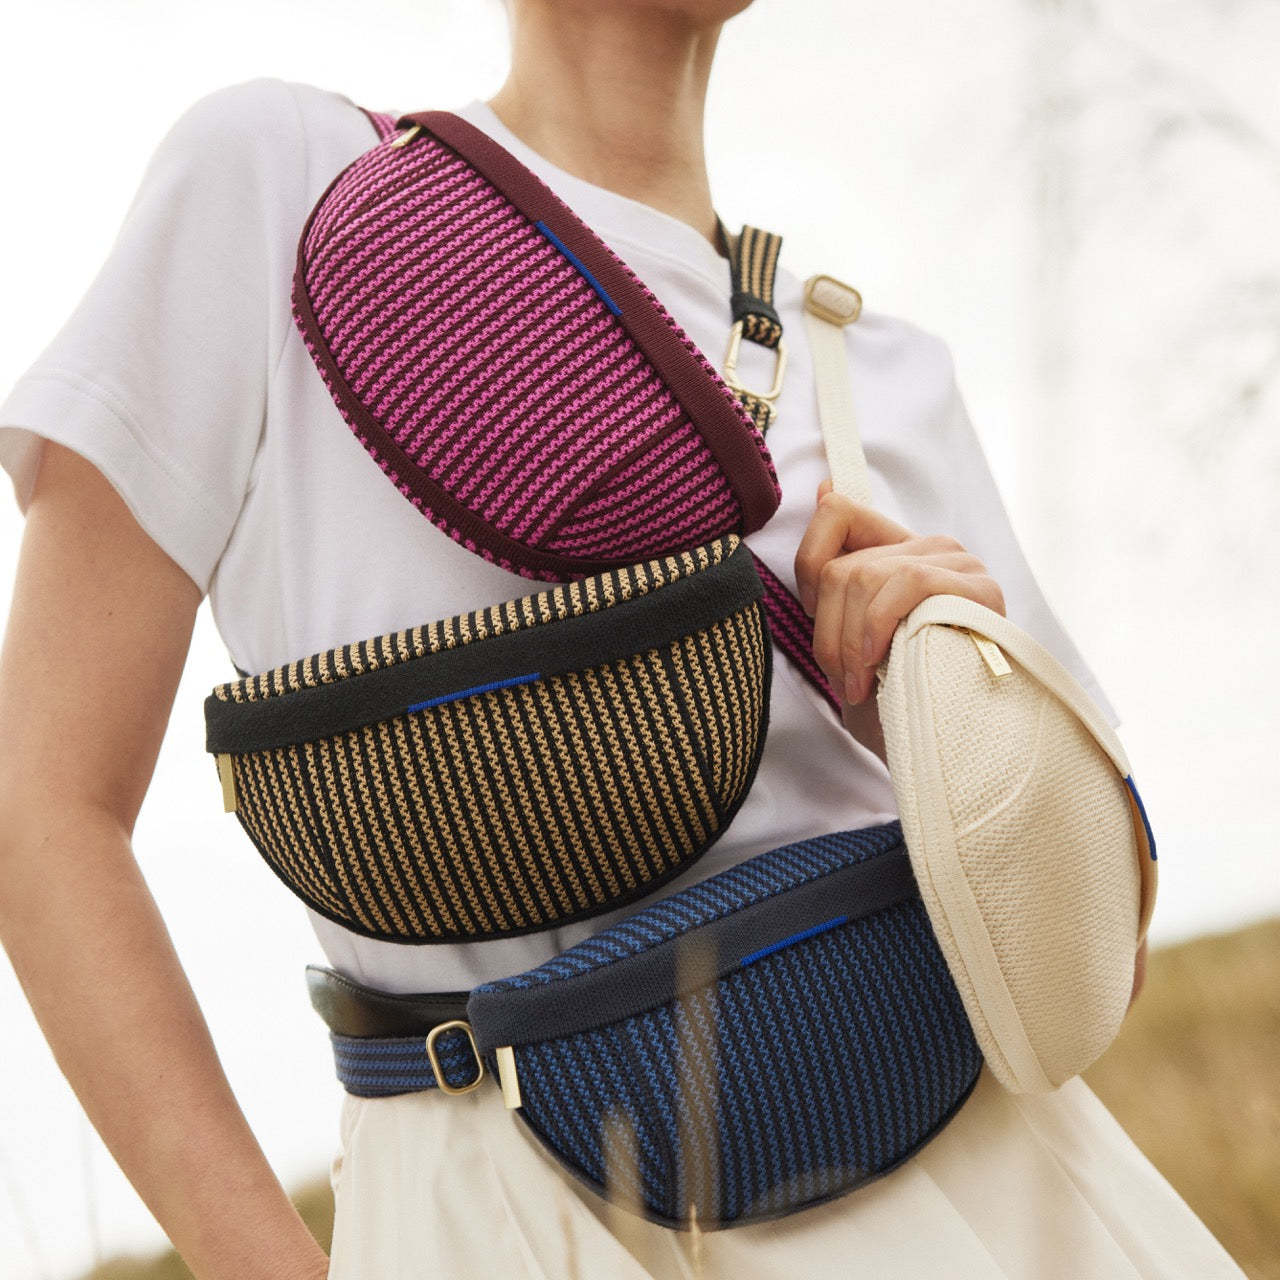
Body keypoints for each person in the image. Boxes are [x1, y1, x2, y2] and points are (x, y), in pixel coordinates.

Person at [0, 1, 1246, 1277]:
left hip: (980, 1192)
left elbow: (1090, 971)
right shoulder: (292, 189)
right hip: (501, 1218)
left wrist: (934, 719)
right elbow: (43, 806)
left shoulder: (878, 374)